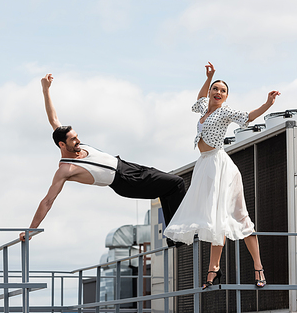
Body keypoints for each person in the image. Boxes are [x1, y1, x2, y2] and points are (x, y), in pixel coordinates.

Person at [19, 73, 186, 245]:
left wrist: (45, 90)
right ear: (62, 145)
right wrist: (31, 230)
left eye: (77, 137)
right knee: (176, 183)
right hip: (125, 181)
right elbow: (47, 201)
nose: (78, 141)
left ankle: (174, 236)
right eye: (73, 140)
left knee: (169, 189)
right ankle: (177, 236)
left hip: (128, 166)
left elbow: (53, 119)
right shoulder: (65, 170)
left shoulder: (75, 144)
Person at [163, 62, 281, 289]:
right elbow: (199, 98)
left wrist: (268, 103)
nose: (218, 92)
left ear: (226, 97)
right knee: (214, 219)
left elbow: (249, 117)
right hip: (204, 166)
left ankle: (258, 267)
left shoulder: (225, 111)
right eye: (215, 89)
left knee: (237, 217)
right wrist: (209, 77)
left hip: (220, 166)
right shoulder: (203, 109)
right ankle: (214, 269)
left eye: (222, 91)